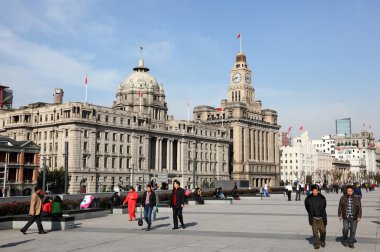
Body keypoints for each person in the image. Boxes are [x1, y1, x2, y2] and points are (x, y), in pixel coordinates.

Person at [304, 184, 327, 249]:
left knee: (323, 231)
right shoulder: (308, 198)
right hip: (313, 217)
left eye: (316, 191)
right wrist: (310, 212)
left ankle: (322, 240)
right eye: (314, 191)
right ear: (312, 191)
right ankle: (316, 243)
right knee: (315, 231)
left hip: (321, 217)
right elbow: (307, 207)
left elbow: (324, 206)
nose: (315, 192)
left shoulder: (322, 197)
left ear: (318, 191)